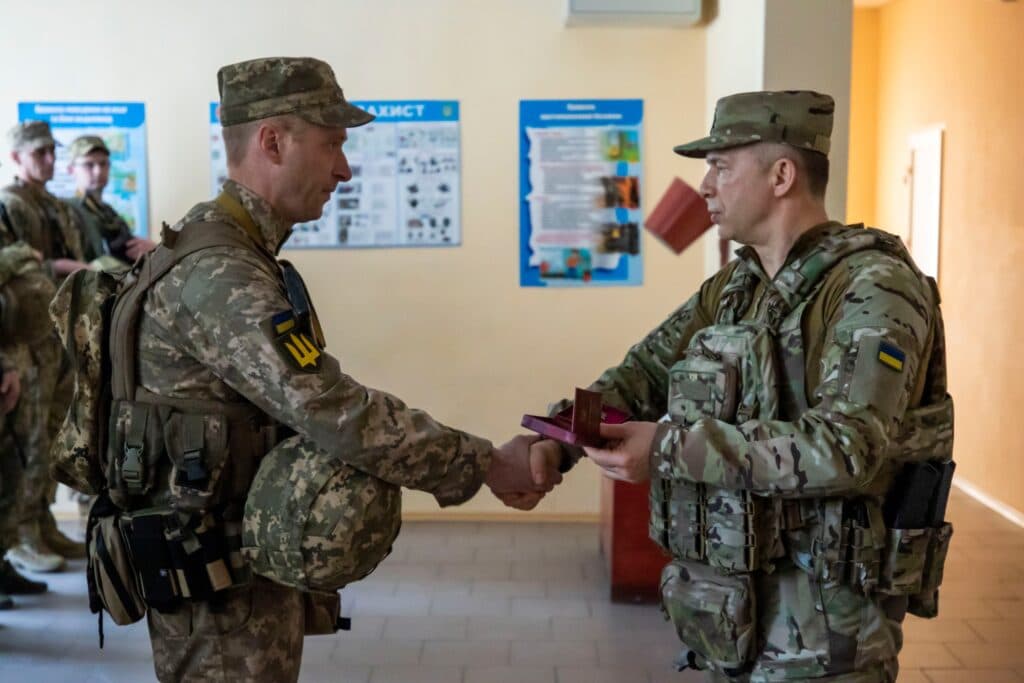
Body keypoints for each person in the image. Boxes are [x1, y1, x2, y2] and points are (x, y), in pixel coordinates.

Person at [115, 56, 558, 682]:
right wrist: (485, 462)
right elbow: (333, 410)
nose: (344, 170)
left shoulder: (232, 253)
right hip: (213, 582)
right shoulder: (220, 274)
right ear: (273, 141)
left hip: (235, 563)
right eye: (331, 145)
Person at [534, 91, 952, 682]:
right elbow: (645, 373)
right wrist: (561, 438)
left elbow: (846, 448)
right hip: (731, 619)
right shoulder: (737, 286)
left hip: (829, 639)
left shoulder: (873, 288)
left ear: (782, 175)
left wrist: (666, 448)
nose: (704, 185)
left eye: (721, 166)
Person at [0, 121, 88, 573]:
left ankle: (44, 519)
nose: (51, 160)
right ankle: (21, 535)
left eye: (54, 151)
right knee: (29, 441)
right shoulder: (9, 204)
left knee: (56, 434)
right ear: (16, 157)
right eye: (40, 153)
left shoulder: (55, 205)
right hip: (25, 341)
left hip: (59, 333)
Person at [63, 135, 156, 270]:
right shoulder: (67, 210)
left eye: (103, 163)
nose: (98, 171)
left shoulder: (108, 212)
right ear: (71, 170)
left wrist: (153, 251)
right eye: (89, 164)